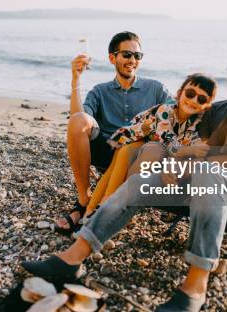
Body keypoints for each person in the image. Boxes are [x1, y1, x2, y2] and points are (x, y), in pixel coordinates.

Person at [24, 46, 227, 312]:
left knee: (207, 173)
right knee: (145, 178)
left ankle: (195, 288)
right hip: (198, 180)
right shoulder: (220, 109)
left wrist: (190, 166)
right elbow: (194, 145)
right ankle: (71, 259)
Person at [55, 31, 170, 235]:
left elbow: (178, 113)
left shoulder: (156, 88)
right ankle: (84, 199)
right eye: (126, 55)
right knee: (78, 120)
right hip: (106, 152)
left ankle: (87, 211)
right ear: (112, 58)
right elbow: (77, 122)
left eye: (137, 56)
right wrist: (75, 81)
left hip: (139, 159)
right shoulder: (100, 91)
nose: (132, 60)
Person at [83, 73, 217, 220]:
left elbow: (190, 149)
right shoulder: (166, 110)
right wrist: (190, 150)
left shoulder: (194, 125)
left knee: (114, 173)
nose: (194, 100)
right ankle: (97, 209)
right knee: (113, 173)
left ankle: (95, 214)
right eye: (190, 94)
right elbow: (169, 142)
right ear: (179, 93)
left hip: (149, 146)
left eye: (201, 98)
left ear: (207, 105)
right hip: (130, 139)